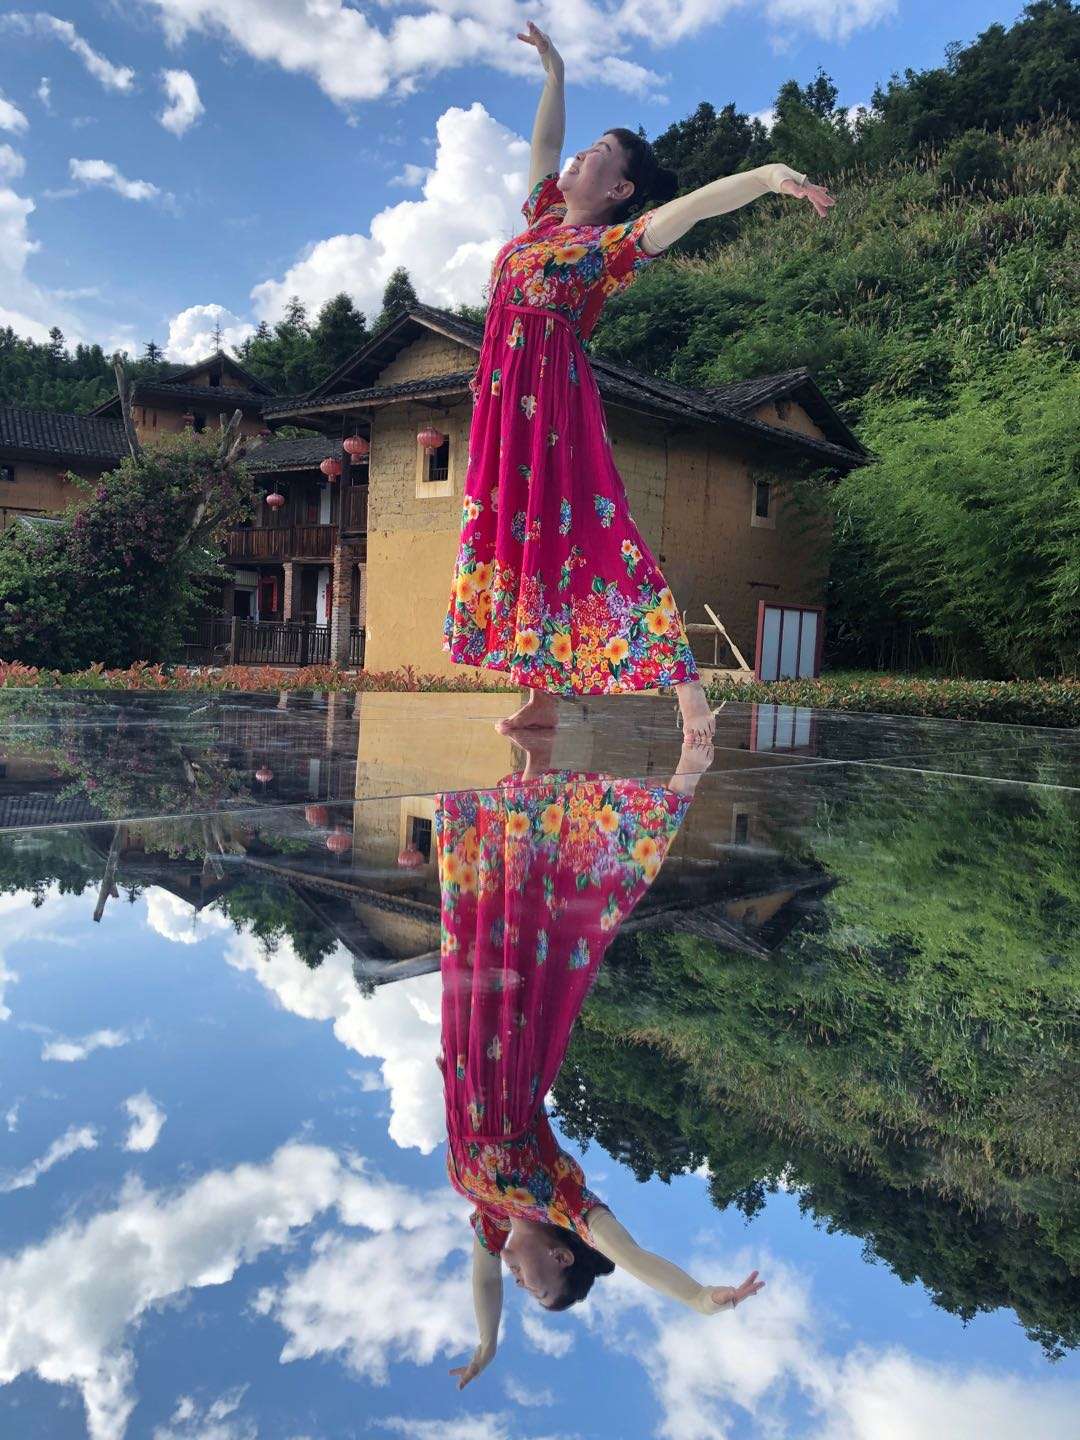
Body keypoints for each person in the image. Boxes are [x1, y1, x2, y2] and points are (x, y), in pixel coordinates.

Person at [444, 21, 835, 747]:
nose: (581, 154)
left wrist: (770, 177)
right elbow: (543, 146)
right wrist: (555, 74)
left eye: (599, 151)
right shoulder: (541, 220)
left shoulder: (607, 246)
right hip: (503, 410)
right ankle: (540, 699)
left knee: (599, 532)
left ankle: (689, 695)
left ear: (620, 188)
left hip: (553, 406)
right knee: (524, 538)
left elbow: (696, 207)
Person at [434, 735, 765, 1392]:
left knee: (485, 912)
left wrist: (487, 1340)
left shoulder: (491, 1217)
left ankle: (531, 774)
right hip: (513, 1055)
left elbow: (484, 1277)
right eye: (539, 1289)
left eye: (525, 1296)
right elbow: (631, 1257)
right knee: (536, 931)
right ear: (563, 1258)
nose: (521, 1285)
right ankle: (682, 775)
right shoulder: (561, 1199)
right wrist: (699, 1297)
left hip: (466, 1038)